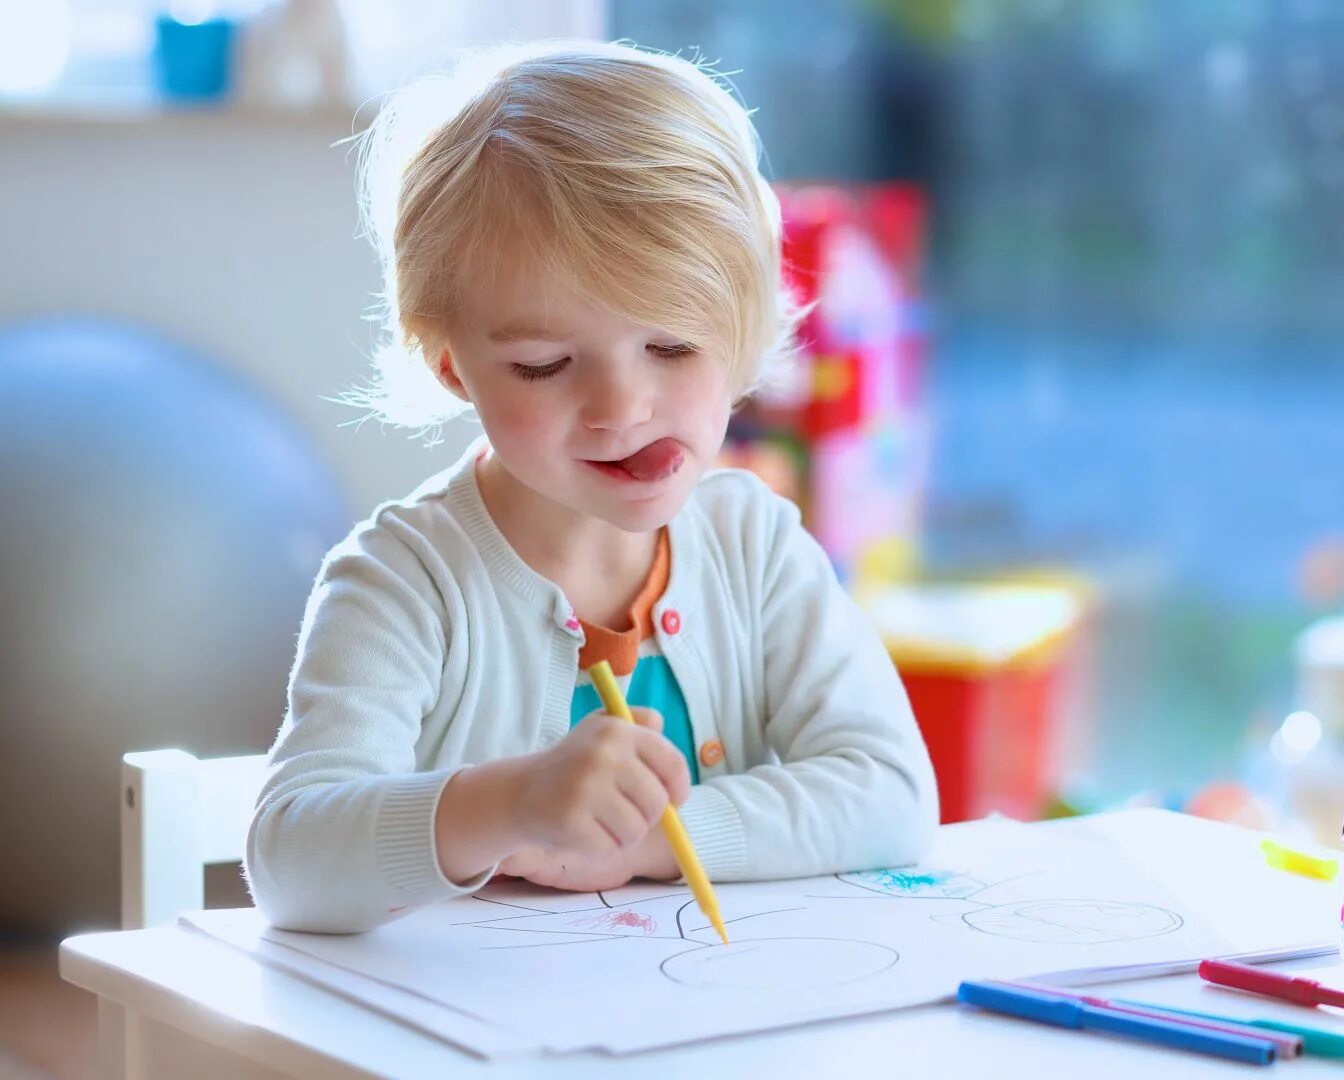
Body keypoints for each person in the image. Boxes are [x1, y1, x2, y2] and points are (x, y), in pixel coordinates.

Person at [245, 40, 939, 933]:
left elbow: (890, 794)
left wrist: (649, 839)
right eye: (544, 364)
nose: (621, 407)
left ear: (745, 326)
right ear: (454, 367)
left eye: (673, 348)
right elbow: (288, 861)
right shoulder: (402, 583)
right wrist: (508, 804)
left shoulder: (754, 547)